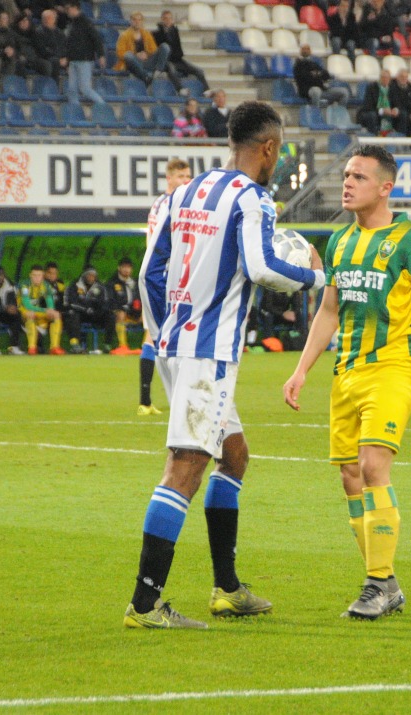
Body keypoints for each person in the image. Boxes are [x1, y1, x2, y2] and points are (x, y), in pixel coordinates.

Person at [125, 101, 325, 629]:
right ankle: (145, 606)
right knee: (185, 469)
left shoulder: (182, 194)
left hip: (174, 346)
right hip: (207, 354)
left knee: (233, 456)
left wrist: (165, 330)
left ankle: (227, 589)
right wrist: (315, 277)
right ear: (269, 148)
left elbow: (150, 270)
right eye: (278, 150)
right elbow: (260, 266)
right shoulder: (253, 198)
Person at [283, 144, 411, 620]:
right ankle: (389, 582)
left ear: (385, 187)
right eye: (347, 175)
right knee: (350, 477)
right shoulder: (339, 242)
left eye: (358, 176)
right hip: (348, 372)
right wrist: (301, 370)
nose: (347, 183)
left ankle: (375, 584)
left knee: (373, 464)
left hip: (394, 368)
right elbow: (330, 311)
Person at [137, 157, 191, 416]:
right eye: (180, 177)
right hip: (163, 279)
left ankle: (148, 401)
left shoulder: (167, 203)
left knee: (157, 335)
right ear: (168, 179)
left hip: (168, 278)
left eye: (188, 177)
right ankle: (148, 400)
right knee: (159, 335)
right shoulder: (166, 204)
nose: (185, 181)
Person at [153, 9, 212, 97]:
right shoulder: (157, 34)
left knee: (198, 70)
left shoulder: (175, 32)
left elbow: (178, 49)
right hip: (167, 61)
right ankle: (180, 89)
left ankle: (207, 89)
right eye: (166, 18)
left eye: (170, 18)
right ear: (162, 19)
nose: (168, 20)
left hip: (178, 59)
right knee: (171, 70)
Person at [64, 265, 116, 354]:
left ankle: (107, 344)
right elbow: (70, 303)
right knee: (72, 314)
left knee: (110, 315)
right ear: (84, 275)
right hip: (81, 314)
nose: (91, 277)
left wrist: (98, 309)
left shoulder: (100, 286)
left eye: (93, 275)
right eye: (89, 275)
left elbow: (106, 303)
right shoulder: (74, 285)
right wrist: (86, 309)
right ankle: (75, 344)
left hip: (95, 315)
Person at [62, 0, 105, 105]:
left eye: (69, 8)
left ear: (75, 8)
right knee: (72, 90)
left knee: (85, 89)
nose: (67, 11)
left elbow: (96, 39)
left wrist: (101, 55)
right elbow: (69, 44)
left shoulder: (86, 22)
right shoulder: (72, 23)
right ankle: (75, 112)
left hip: (84, 60)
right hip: (73, 60)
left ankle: (103, 105)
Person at [114, 11, 170, 89]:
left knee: (165, 46)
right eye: (135, 20)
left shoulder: (146, 34)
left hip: (147, 61)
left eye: (139, 20)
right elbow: (120, 53)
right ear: (131, 21)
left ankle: (158, 71)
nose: (137, 22)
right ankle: (146, 77)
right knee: (128, 55)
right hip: (135, 63)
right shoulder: (124, 35)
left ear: (142, 22)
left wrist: (146, 54)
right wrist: (136, 55)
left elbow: (153, 50)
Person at [18, 263, 65, 355]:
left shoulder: (45, 285)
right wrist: (45, 310)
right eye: (34, 275)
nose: (37, 278)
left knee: (56, 315)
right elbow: (27, 306)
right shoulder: (24, 286)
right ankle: (32, 348)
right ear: (30, 275)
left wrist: (51, 310)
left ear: (43, 276)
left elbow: (50, 302)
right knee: (30, 314)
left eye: (39, 275)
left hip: (37, 312)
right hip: (22, 312)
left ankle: (54, 347)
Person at [293, 43, 349, 108]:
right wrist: (318, 75)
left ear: (310, 51)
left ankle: (339, 114)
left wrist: (316, 74)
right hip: (307, 91)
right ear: (300, 51)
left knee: (344, 92)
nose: (305, 50)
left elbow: (326, 75)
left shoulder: (314, 63)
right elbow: (305, 77)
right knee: (316, 91)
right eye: (303, 49)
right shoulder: (298, 64)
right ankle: (315, 114)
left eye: (307, 49)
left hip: (322, 89)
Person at [108, 257, 142, 356]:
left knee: (148, 315)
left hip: (133, 313)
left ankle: (146, 346)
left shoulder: (135, 283)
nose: (126, 270)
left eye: (129, 267)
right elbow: (110, 301)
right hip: (118, 314)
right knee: (121, 313)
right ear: (119, 268)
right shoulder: (112, 283)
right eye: (124, 267)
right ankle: (123, 345)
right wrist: (121, 308)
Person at [357, 69, 397, 135]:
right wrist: (382, 111)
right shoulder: (372, 87)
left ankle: (401, 140)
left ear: (389, 79)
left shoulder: (392, 88)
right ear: (380, 78)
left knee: (402, 115)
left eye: (387, 78)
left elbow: (396, 103)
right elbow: (368, 106)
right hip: (370, 112)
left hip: (388, 112)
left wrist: (395, 110)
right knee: (372, 116)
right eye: (383, 77)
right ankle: (374, 138)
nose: (385, 79)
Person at [388, 68, 411, 135]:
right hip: (397, 113)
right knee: (404, 115)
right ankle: (402, 139)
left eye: (406, 77)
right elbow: (396, 103)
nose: (404, 78)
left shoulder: (410, 86)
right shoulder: (393, 87)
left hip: (409, 111)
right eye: (402, 77)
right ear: (397, 77)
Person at [34, 8, 66, 80]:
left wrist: (64, 58)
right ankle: (55, 86)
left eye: (50, 18)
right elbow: (42, 50)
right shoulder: (38, 32)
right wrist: (59, 58)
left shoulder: (59, 33)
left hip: (60, 58)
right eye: (46, 18)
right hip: (46, 58)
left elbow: (65, 47)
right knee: (54, 61)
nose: (47, 20)